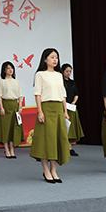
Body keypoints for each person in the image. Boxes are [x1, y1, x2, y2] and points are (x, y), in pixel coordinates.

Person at [30, 48, 69, 183]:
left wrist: (65, 111)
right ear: (45, 59)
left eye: (56, 57)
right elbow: (38, 94)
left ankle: (54, 170)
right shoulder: (40, 74)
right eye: (52, 57)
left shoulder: (59, 75)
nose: (55, 59)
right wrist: (40, 111)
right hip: (46, 108)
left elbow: (63, 95)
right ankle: (46, 170)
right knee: (46, 141)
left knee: (57, 139)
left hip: (58, 109)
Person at [0, 61, 24, 159]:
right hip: (5, 105)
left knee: (13, 128)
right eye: (8, 68)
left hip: (14, 105)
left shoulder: (16, 81)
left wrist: (20, 106)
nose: (10, 70)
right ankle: (6, 149)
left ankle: (12, 149)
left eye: (12, 68)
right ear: (4, 70)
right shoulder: (1, 81)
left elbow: (20, 95)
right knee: (5, 128)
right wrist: (1, 107)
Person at [62, 63, 84, 156]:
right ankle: (63, 148)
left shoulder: (72, 82)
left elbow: (76, 93)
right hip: (63, 107)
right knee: (64, 128)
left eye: (70, 71)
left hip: (71, 107)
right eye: (67, 71)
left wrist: (74, 101)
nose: (68, 73)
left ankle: (69, 148)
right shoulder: (60, 82)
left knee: (71, 129)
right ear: (62, 71)